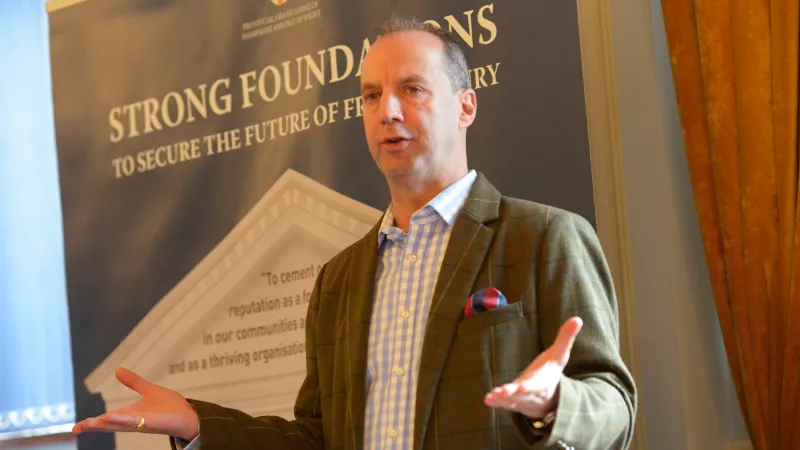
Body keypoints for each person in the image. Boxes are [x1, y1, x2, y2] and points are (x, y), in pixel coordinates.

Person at [73, 16, 637, 450]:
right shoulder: (339, 280)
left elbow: (615, 406)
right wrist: (199, 423)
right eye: (371, 95)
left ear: (466, 106)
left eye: (412, 89)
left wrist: (553, 403)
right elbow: (317, 437)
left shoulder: (545, 237)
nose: (387, 110)